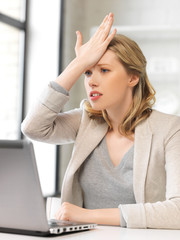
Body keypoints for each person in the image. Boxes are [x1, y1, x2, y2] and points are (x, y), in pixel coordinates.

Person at [21, 13, 180, 229]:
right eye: (87, 73)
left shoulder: (170, 129)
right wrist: (77, 64)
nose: (92, 82)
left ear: (133, 77)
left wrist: (87, 215)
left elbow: (177, 211)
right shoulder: (84, 121)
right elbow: (33, 128)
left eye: (104, 70)